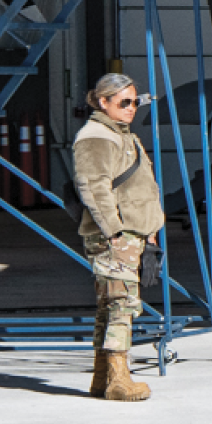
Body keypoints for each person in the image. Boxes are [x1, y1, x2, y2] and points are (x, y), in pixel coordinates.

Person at [70, 72, 163, 402]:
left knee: (109, 306)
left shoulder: (121, 135)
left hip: (131, 235)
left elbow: (141, 188)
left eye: (136, 101)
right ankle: (120, 381)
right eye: (124, 102)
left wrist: (150, 234)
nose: (132, 108)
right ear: (103, 102)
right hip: (115, 237)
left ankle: (102, 378)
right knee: (123, 305)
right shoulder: (96, 137)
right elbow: (94, 189)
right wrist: (115, 234)